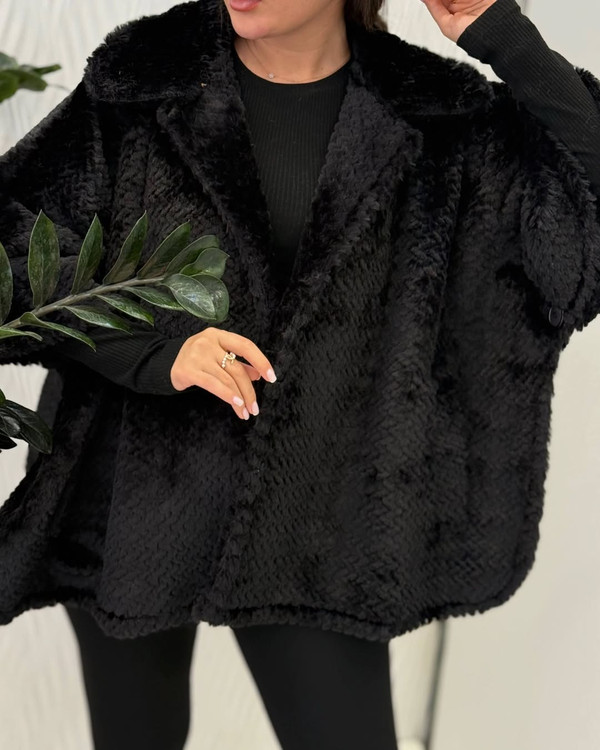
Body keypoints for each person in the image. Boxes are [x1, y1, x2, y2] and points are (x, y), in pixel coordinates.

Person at [1, 0, 600, 748]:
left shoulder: (440, 118)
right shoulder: (146, 79)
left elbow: (581, 218)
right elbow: (11, 245)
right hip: (127, 494)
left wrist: (504, 36)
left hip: (316, 517)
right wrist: (153, 347)